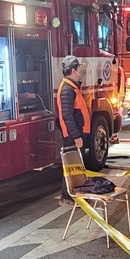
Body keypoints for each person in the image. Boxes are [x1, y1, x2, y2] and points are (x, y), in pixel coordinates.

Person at [56, 55, 90, 202]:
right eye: (78, 68)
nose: (80, 71)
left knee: (75, 167)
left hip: (75, 133)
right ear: (73, 70)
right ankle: (67, 196)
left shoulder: (72, 88)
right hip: (72, 135)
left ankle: (75, 194)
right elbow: (67, 116)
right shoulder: (67, 90)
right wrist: (76, 136)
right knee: (71, 167)